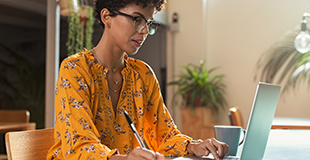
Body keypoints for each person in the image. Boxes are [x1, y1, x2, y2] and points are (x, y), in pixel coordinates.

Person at [47, 0, 229, 160]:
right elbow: (79, 145)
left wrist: (193, 146)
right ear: (106, 16)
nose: (144, 31)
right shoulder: (75, 69)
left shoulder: (143, 74)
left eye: (148, 23)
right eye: (137, 19)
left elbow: (164, 135)